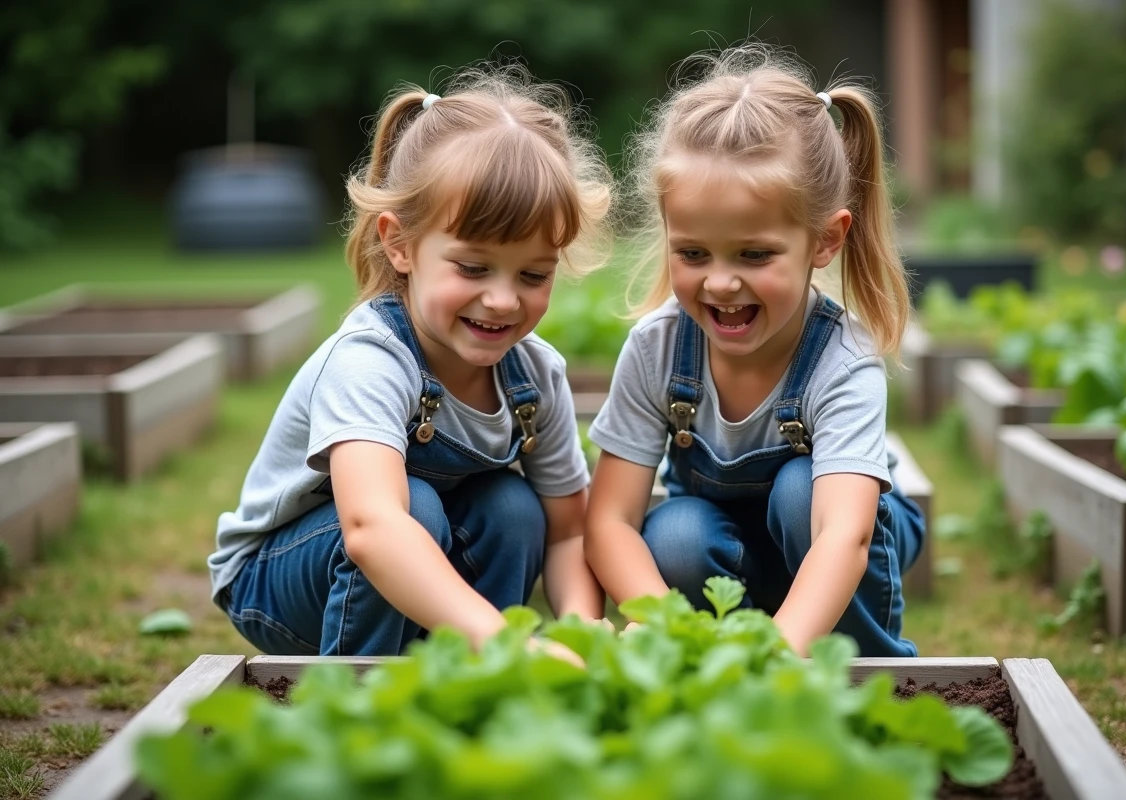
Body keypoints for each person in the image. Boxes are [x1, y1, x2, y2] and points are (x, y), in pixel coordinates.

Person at [208, 65, 613, 656]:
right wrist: (509, 642)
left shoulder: (535, 377)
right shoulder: (370, 360)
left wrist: (581, 626)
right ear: (399, 244)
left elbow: (567, 530)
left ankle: (470, 679)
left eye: (533, 274)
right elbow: (372, 529)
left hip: (420, 574)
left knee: (514, 507)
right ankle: (363, 701)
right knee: (412, 508)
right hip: (281, 581)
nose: (502, 299)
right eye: (473, 268)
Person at [585, 45, 924, 657]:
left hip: (839, 540)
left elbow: (843, 534)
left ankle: (867, 668)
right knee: (678, 535)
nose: (720, 283)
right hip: (728, 547)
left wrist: (780, 653)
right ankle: (722, 653)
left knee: (800, 491)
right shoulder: (659, 349)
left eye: (754, 254)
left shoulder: (841, 358)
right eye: (693, 254)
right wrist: (661, 622)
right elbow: (609, 521)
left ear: (824, 240)